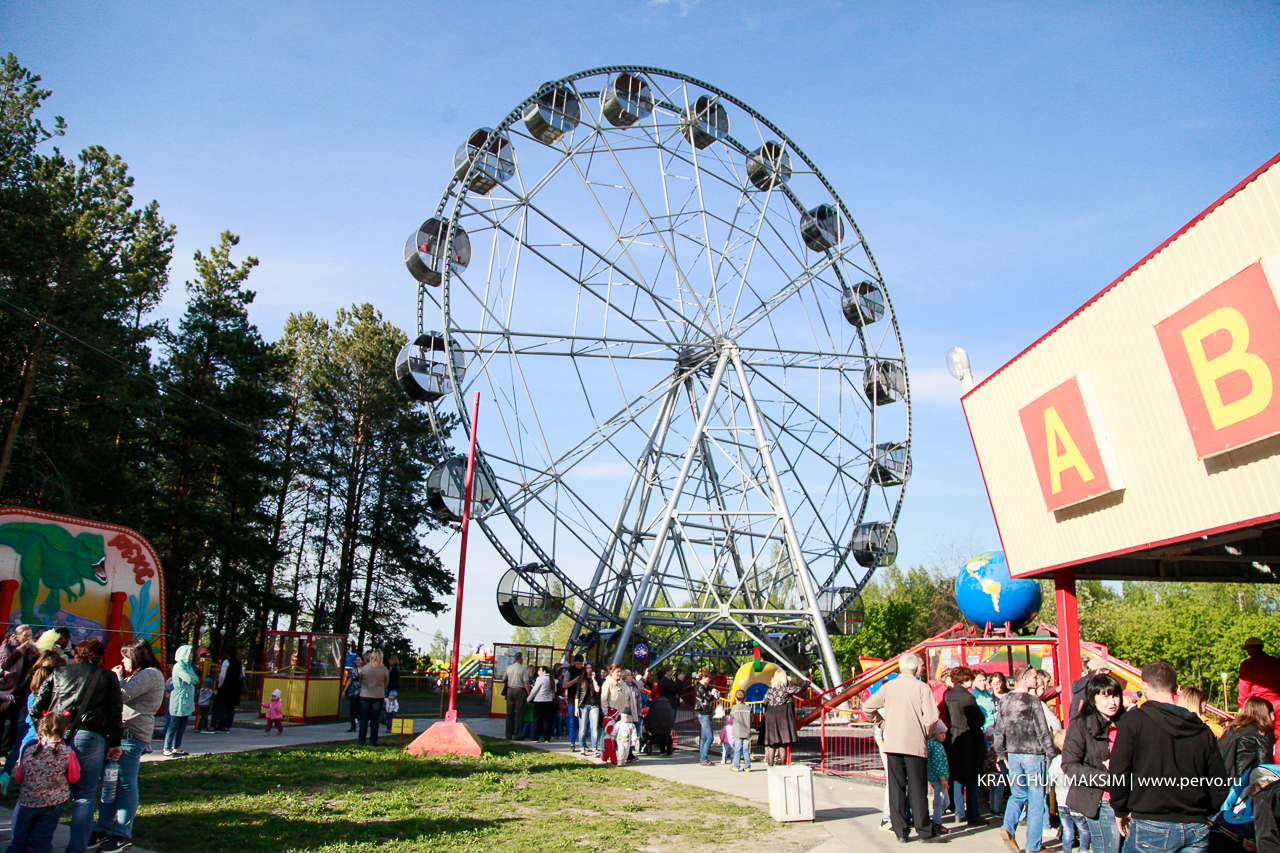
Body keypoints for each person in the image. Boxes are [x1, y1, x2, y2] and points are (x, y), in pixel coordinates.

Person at [1109, 660, 1228, 853]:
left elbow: (1118, 771)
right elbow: (1220, 781)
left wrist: (1120, 809)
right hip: (1195, 825)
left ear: (1144, 686)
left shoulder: (1134, 721)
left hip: (1151, 822)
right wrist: (1203, 810)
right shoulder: (1202, 729)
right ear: (1177, 688)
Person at [33, 638, 122, 853]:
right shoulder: (108, 677)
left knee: (47, 791)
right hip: (91, 737)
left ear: (77, 654)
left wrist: (43, 731)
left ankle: (38, 844)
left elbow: (37, 707)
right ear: (100, 656)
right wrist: (114, 743)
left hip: (56, 736)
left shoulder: (60, 673)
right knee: (84, 796)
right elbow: (114, 712)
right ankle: (77, 848)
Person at [861, 653, 946, 844]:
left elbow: (867, 707)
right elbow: (932, 717)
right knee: (917, 787)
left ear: (900, 668)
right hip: (915, 744)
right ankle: (924, 830)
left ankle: (901, 831)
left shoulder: (889, 687)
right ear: (915, 668)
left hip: (893, 743)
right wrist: (924, 731)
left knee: (896, 787)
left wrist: (882, 724)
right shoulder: (922, 687)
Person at [90, 637, 165, 852]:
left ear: (136, 656)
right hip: (119, 733)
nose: (122, 660)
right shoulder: (140, 674)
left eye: (125, 656)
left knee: (125, 783)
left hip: (131, 735)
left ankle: (122, 833)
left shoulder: (150, 674)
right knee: (110, 783)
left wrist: (118, 678)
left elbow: (120, 696)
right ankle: (103, 829)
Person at [993, 663, 1056, 853]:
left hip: (1013, 754)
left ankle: (1007, 826)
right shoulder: (1032, 701)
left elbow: (999, 729)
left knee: (1018, 794)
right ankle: (1033, 846)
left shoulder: (1004, 700)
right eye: (1035, 677)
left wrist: (1000, 753)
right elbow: (1042, 730)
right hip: (1033, 754)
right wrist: (1051, 753)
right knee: (1036, 801)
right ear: (1025, 679)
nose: (1037, 680)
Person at [1063, 673, 1124, 853]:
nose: (1112, 702)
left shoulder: (1127, 722)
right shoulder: (1081, 725)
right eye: (1105, 696)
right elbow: (1069, 765)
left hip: (1128, 798)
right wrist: (1107, 779)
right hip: (1101, 800)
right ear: (1092, 698)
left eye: (1115, 695)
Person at [9, 713, 80, 853]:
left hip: (28, 801)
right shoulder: (66, 752)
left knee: (20, 836)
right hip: (53, 803)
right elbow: (73, 778)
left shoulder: (29, 751)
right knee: (42, 838)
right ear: (64, 730)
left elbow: (18, 777)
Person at [943, 666, 986, 827]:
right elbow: (979, 719)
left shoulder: (949, 696)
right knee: (972, 779)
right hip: (969, 739)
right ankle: (973, 814)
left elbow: (948, 717)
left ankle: (959, 813)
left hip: (954, 738)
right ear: (965, 680)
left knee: (958, 778)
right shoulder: (967, 698)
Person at [0, 625, 38, 779]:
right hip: (7, 688)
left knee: (14, 721)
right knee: (3, 719)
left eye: (30, 635)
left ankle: (5, 749)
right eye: (25, 635)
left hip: (22, 689)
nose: (28, 638)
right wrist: (21, 649)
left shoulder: (30, 647)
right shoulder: (8, 646)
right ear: (17, 635)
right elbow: (4, 663)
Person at [1238, 637, 1280, 763]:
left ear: (1251, 649)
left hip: (1259, 706)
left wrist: (1241, 708)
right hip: (1278, 704)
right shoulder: (1276, 662)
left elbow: (1244, 687)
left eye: (1247, 650)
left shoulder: (1247, 664)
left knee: (1259, 735)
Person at [1049, 728, 1090, 853]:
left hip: (1062, 803)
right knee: (1084, 830)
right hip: (1076, 802)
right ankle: (1083, 850)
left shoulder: (1056, 761)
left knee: (1067, 832)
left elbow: (1049, 779)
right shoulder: (1078, 761)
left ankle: (1067, 851)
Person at [1218, 696, 1275, 785]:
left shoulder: (1231, 730)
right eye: (1272, 714)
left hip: (1225, 782)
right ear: (1265, 714)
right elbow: (1264, 768)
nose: (1274, 718)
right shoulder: (1262, 733)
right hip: (1247, 785)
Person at [762, 670, 808, 766]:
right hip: (782, 716)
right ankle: (783, 764)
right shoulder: (785, 689)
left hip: (770, 716)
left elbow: (764, 702)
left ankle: (770, 764)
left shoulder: (770, 690)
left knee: (772, 743)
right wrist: (807, 682)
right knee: (783, 742)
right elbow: (799, 690)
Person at [164, 644, 199, 756]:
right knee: (174, 725)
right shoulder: (178, 666)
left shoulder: (188, 667)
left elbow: (196, 679)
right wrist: (191, 678)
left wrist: (192, 678)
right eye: (190, 653)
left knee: (182, 726)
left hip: (187, 700)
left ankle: (176, 747)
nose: (192, 655)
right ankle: (167, 748)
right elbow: (189, 678)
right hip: (179, 699)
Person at [357, 650, 389, 747]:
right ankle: (373, 741)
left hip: (364, 695)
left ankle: (361, 740)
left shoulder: (365, 668)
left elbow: (360, 681)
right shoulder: (383, 669)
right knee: (375, 720)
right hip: (378, 695)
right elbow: (386, 682)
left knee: (363, 719)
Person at [212, 644, 244, 733]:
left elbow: (222, 676)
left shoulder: (226, 662)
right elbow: (242, 675)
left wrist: (219, 685)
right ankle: (227, 726)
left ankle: (219, 724)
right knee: (231, 708)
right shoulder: (239, 663)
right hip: (235, 688)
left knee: (220, 706)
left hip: (225, 687)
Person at [927, 720, 951, 837]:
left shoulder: (930, 743)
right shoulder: (936, 746)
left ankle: (936, 819)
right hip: (939, 778)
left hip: (933, 776)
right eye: (940, 733)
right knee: (941, 802)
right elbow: (938, 764)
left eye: (944, 733)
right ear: (934, 733)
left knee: (943, 801)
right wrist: (943, 779)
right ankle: (937, 822)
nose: (943, 736)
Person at [1070, 658, 1111, 723]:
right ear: (1099, 671)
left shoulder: (1081, 684)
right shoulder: (1094, 686)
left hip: (1076, 726)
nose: (1109, 677)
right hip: (1089, 727)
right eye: (1108, 674)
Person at [574, 662, 602, 755]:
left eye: (590, 668)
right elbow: (577, 694)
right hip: (583, 705)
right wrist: (576, 708)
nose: (589, 670)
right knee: (582, 728)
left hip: (594, 704)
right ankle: (582, 746)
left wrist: (594, 680)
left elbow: (598, 690)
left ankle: (595, 748)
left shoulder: (597, 677)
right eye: (587, 668)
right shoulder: (581, 679)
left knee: (594, 728)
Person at [694, 671, 719, 767]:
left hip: (706, 713)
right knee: (710, 737)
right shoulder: (701, 688)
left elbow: (708, 699)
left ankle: (703, 757)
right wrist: (712, 694)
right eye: (708, 677)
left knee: (704, 738)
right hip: (704, 714)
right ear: (703, 677)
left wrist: (714, 697)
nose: (709, 679)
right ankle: (703, 758)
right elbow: (708, 698)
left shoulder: (704, 687)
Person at [503, 652, 530, 741]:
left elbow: (503, 680)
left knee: (509, 713)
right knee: (519, 713)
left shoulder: (509, 668)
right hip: (519, 691)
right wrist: (529, 693)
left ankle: (508, 735)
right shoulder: (523, 668)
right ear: (521, 659)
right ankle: (517, 735)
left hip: (510, 690)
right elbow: (526, 682)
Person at [528, 664, 555, 744]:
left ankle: (536, 737)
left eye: (539, 670)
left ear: (544, 671)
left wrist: (529, 698)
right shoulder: (551, 679)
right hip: (549, 701)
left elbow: (534, 690)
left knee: (537, 720)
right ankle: (547, 737)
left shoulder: (540, 679)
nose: (538, 672)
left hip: (539, 700)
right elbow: (554, 690)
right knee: (547, 720)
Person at [562, 655, 584, 748]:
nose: (579, 666)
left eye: (581, 664)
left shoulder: (584, 670)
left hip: (583, 699)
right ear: (574, 662)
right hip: (572, 699)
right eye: (578, 664)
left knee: (583, 723)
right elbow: (565, 685)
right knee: (573, 722)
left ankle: (583, 742)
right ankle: (572, 742)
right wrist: (575, 680)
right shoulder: (570, 671)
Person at [729, 689, 753, 772]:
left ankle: (736, 766)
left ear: (736, 698)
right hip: (746, 731)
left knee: (737, 749)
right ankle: (747, 766)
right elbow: (752, 718)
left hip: (737, 731)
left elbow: (731, 716)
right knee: (746, 750)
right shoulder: (748, 708)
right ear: (745, 698)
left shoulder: (734, 708)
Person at [344, 656, 363, 733]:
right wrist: (344, 690)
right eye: (356, 660)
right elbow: (350, 680)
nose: (357, 661)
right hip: (353, 691)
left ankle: (361, 723)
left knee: (361, 708)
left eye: (359, 660)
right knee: (352, 708)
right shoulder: (352, 671)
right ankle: (352, 726)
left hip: (362, 691)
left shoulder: (365, 670)